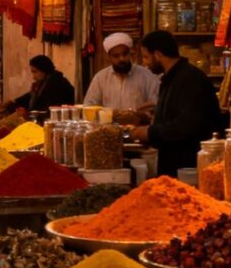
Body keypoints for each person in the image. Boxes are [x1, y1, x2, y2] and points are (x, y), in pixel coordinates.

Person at [129, 31, 222, 178]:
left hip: (189, 170)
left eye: (146, 57)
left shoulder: (190, 79)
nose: (144, 63)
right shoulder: (172, 78)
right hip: (174, 166)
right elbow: (176, 116)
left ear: (158, 54)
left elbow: (186, 126)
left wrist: (149, 132)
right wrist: (154, 117)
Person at [83, 32, 160, 112]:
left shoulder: (146, 76)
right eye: (116, 56)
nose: (122, 59)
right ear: (109, 57)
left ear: (130, 53)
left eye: (125, 54)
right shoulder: (100, 78)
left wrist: (150, 106)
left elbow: (157, 103)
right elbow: (89, 106)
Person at [7, 55, 75, 114]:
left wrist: (27, 113)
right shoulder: (40, 84)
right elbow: (28, 97)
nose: (33, 77)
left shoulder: (57, 83)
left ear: (44, 70)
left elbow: (48, 109)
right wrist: (12, 104)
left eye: (35, 72)